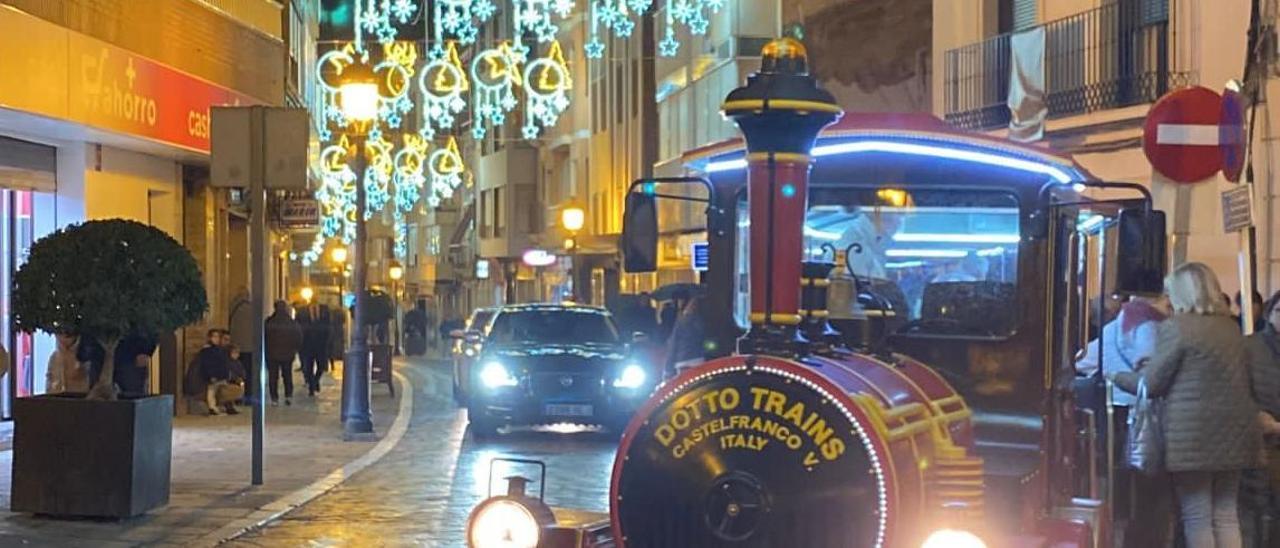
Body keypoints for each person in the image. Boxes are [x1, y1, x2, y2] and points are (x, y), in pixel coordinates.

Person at [1114, 262, 1262, 548]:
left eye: (1170, 292)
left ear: (1183, 293)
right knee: (1226, 514)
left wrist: (1118, 377)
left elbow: (1153, 383)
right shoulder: (1233, 329)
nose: (1167, 299)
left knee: (1197, 515)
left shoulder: (1177, 328)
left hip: (1193, 436)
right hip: (1237, 432)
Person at [1074, 294, 1172, 548]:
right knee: (1145, 474)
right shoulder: (1151, 327)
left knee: (1119, 471)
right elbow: (1150, 374)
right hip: (1141, 410)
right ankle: (1138, 535)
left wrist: (1109, 373)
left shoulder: (1114, 327)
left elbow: (1082, 362)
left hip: (1114, 409)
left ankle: (1120, 525)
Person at [1243, 292, 1280, 547]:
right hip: (1263, 437)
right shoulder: (1250, 346)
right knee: (1259, 504)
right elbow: (1236, 389)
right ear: (1270, 313)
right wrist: (1256, 414)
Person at [264, 301, 303, 406]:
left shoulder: (269, 322)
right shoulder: (291, 323)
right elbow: (298, 337)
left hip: (272, 354)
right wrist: (295, 349)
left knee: (273, 376)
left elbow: (264, 338)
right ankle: (288, 395)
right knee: (287, 375)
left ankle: (274, 398)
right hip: (288, 354)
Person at [665, 296, 708, 378]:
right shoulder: (700, 321)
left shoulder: (681, 321)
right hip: (698, 359)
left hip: (683, 360)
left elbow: (673, 344)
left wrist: (668, 368)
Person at [228, 288, 258, 403]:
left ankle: (236, 396)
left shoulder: (233, 307)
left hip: (236, 347)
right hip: (250, 347)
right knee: (249, 373)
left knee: (236, 372)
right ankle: (249, 396)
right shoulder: (252, 309)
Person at [298, 303, 330, 396]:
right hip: (307, 345)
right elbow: (299, 326)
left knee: (321, 366)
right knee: (308, 367)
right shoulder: (302, 312)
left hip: (321, 345)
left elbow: (328, 326)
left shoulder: (325, 311)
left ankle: (315, 381)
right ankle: (311, 387)